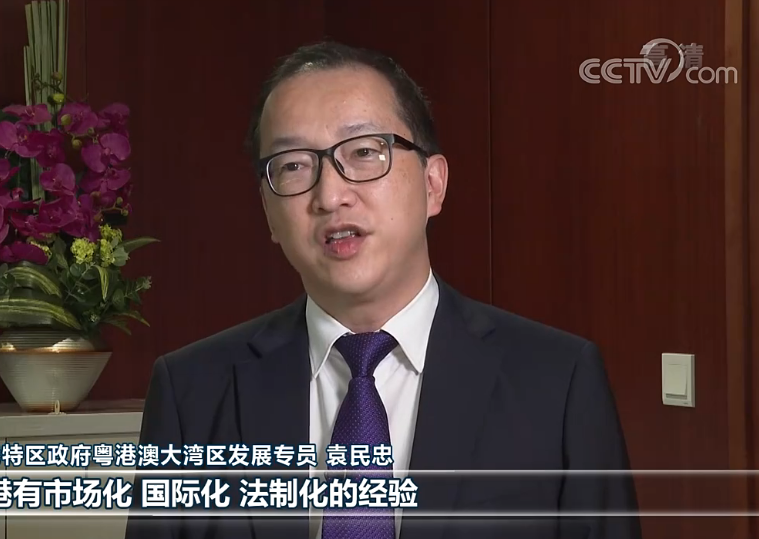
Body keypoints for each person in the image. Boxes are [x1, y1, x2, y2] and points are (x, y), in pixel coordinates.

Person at [124, 41, 641, 539]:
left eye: (365, 152)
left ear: (433, 184)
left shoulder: (558, 381)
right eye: (293, 165)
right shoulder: (191, 392)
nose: (330, 195)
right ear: (269, 213)